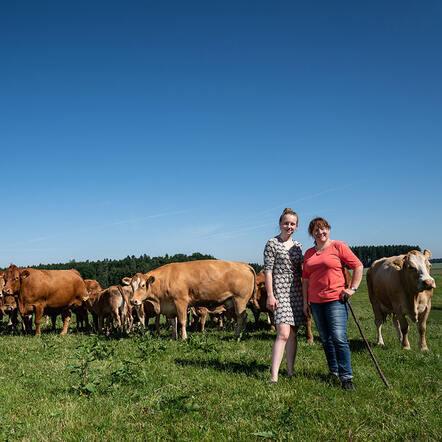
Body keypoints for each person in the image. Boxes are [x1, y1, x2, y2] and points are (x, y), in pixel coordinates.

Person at [302, 217, 363, 391]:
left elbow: (358, 266)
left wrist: (352, 289)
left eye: (323, 229)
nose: (320, 233)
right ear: (311, 234)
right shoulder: (308, 254)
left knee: (338, 337)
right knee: (326, 339)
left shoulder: (338, 246)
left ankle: (346, 377)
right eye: (316, 230)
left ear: (328, 229)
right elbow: (305, 279)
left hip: (336, 299)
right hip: (315, 301)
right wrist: (306, 302)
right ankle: (333, 371)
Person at [264, 208, 305, 383]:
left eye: (292, 224)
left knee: (293, 333)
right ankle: (273, 375)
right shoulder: (272, 243)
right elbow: (268, 271)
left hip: (296, 290)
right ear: (280, 224)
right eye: (286, 223)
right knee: (283, 333)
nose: (289, 226)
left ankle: (290, 371)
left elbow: (302, 270)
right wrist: (270, 295)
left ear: (296, 227)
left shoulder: (298, 246)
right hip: (279, 289)